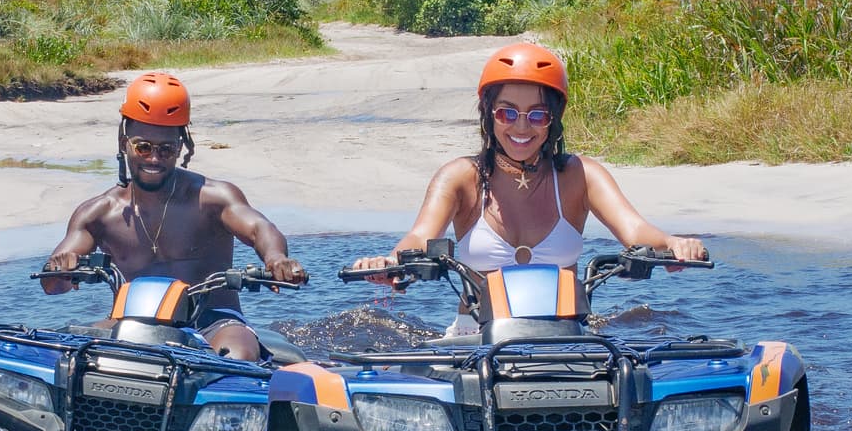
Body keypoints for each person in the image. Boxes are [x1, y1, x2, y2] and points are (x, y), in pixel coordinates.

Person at [350, 42, 707, 290]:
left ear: (555, 119)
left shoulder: (580, 176)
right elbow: (419, 237)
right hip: (476, 334)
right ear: (488, 114)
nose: (521, 127)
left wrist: (674, 243)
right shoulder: (460, 177)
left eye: (537, 115)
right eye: (507, 113)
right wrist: (387, 262)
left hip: (569, 332)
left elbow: (636, 232)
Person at [43, 71, 306, 361]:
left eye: (166, 149)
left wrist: (276, 259)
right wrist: (62, 267)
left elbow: (259, 228)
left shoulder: (213, 197)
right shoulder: (98, 214)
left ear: (182, 148)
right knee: (69, 354)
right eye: (143, 147)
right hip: (131, 322)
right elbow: (52, 284)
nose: (154, 159)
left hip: (214, 321)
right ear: (123, 143)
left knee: (240, 354)